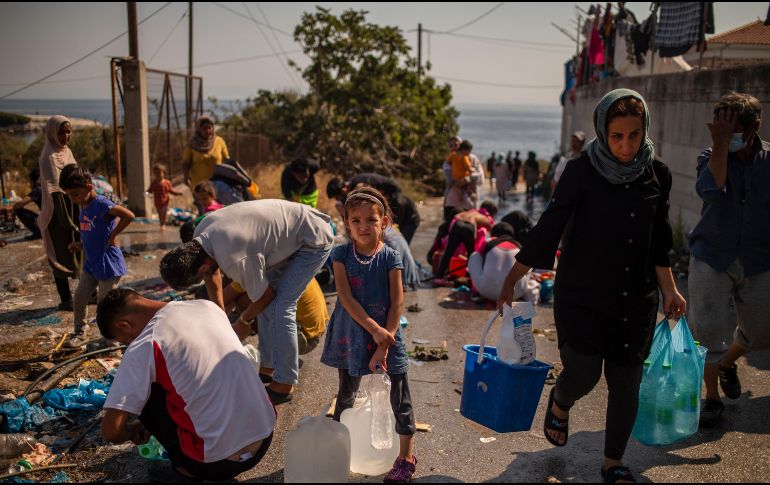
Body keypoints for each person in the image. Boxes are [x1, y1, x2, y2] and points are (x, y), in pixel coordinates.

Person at [497, 89, 686, 484]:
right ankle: (561, 401)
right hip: (583, 292)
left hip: (634, 297)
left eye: (634, 135)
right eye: (617, 136)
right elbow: (550, 224)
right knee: (583, 373)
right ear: (603, 131)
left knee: (626, 381)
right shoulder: (581, 171)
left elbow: (660, 239)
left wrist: (669, 289)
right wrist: (514, 277)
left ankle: (613, 462)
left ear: (644, 130)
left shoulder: (658, 174)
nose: (625, 146)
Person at [160, 200, 334, 404]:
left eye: (199, 276)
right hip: (289, 238)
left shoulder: (236, 258)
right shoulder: (201, 236)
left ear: (200, 268)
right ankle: (268, 366)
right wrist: (220, 320)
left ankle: (285, 383)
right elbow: (212, 273)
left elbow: (265, 296)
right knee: (262, 302)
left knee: (281, 306)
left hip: (312, 240)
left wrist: (243, 320)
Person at [97, 288, 276, 482]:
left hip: (215, 462)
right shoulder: (208, 307)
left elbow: (111, 431)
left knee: (147, 393)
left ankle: (186, 472)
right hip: (265, 435)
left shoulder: (145, 344)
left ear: (124, 325)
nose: (129, 345)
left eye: (125, 341)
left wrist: (130, 432)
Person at [320, 187, 417, 483]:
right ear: (347, 223)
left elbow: (397, 301)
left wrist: (384, 341)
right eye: (356, 221)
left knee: (400, 398)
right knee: (346, 396)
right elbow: (346, 299)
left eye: (371, 221)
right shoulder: (339, 255)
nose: (364, 227)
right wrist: (374, 331)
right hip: (352, 335)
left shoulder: (390, 256)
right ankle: (339, 452)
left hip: (388, 336)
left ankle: (406, 458)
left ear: (384, 222)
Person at [688, 92, 770, 428]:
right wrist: (721, 144)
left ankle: (726, 364)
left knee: (762, 332)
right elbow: (710, 189)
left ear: (755, 128)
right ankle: (711, 398)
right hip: (712, 255)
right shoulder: (710, 156)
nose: (728, 134)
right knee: (708, 331)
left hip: (758, 257)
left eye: (734, 130)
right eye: (722, 128)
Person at [58, 164, 134, 348]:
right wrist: (81, 245)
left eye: (75, 194)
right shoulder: (82, 204)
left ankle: (110, 339)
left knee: (104, 304)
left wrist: (114, 235)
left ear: (89, 187)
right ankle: (80, 332)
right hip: (92, 264)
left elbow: (128, 215)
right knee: (80, 297)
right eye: (69, 195)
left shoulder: (101, 204)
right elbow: (92, 231)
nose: (72, 199)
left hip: (108, 264)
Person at [37, 116, 82, 311]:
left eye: (69, 131)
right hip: (59, 213)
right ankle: (66, 299)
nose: (66, 136)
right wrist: (67, 221)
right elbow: (54, 191)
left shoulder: (67, 152)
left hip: (74, 206)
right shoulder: (48, 157)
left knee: (82, 252)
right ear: (52, 133)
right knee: (61, 254)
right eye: (62, 132)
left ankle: (90, 294)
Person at [327, 173, 421, 245]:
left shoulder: (359, 187)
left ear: (343, 189)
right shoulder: (353, 187)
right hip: (396, 208)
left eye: (337, 197)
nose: (338, 200)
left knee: (397, 246)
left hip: (408, 215)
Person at [468, 222, 538, 304]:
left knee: (475, 255)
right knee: (525, 264)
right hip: (516, 293)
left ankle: (476, 290)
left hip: (487, 291)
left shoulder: (488, 242)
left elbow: (478, 258)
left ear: (493, 233)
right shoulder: (519, 246)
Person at [433, 201, 498, 284]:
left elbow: (456, 216)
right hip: (469, 227)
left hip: (457, 223)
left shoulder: (472, 211)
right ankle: (473, 280)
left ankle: (438, 277)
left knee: (448, 252)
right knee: (472, 256)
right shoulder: (486, 218)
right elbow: (492, 233)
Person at [182, 115, 230, 189]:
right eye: (204, 128)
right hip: (198, 185)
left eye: (209, 127)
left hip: (217, 183)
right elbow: (186, 163)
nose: (207, 131)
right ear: (199, 129)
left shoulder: (219, 141)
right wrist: (186, 177)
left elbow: (227, 160)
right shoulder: (191, 144)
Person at [146, 163, 182, 231]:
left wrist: (177, 193)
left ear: (163, 173)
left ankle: (163, 224)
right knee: (159, 213)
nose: (158, 175)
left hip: (165, 201)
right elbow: (149, 190)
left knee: (164, 213)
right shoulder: (154, 183)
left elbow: (171, 190)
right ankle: (161, 223)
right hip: (157, 201)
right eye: (156, 173)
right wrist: (146, 193)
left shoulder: (167, 182)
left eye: (159, 173)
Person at [12, 168, 42, 240]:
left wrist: (13, 210)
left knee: (19, 210)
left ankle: (38, 233)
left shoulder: (38, 190)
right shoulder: (45, 188)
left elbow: (19, 204)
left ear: (32, 181)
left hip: (48, 223)